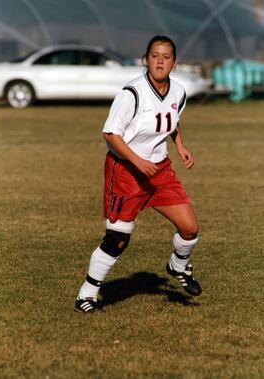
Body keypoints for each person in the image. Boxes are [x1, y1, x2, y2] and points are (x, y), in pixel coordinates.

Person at [75, 35, 202, 314]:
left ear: (174, 62)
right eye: (154, 55)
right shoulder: (132, 93)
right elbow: (110, 133)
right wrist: (137, 160)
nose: (160, 61)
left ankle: (177, 266)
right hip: (127, 173)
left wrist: (179, 146)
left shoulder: (179, 92)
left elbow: (171, 120)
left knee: (190, 229)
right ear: (146, 59)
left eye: (166, 57)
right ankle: (86, 294)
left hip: (160, 171)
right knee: (117, 239)